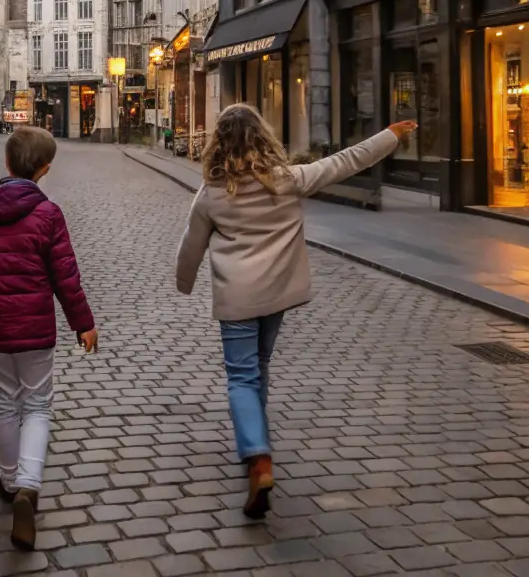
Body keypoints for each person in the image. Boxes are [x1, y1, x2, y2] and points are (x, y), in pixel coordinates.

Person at [175, 105, 416, 521]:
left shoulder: (212, 193)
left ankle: (257, 455)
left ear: (220, 144)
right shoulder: (287, 180)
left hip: (236, 298)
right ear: (262, 138)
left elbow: (191, 246)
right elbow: (345, 161)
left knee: (241, 376)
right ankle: (257, 445)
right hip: (276, 296)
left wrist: (183, 282)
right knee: (260, 366)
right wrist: (390, 135)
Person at [0, 125, 97, 551]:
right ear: (44, 170)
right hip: (36, 330)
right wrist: (83, 322)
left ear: (6, 163)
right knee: (38, 403)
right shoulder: (48, 215)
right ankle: (29, 484)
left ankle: (10, 481)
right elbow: (66, 276)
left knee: (4, 402)